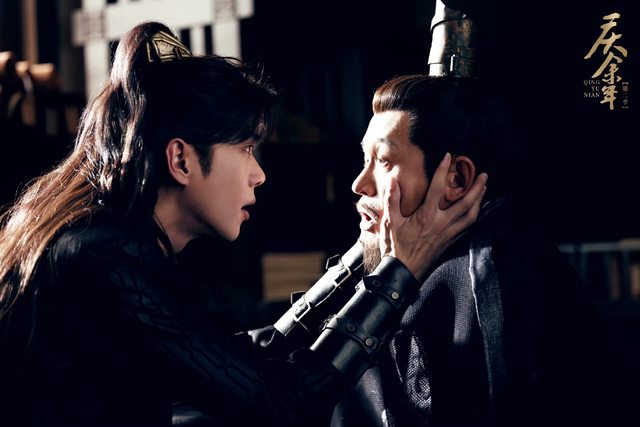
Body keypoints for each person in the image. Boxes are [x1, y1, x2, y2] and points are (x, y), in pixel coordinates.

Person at [0, 22, 486, 427]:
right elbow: (283, 403)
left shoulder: (107, 236)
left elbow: (244, 362)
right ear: (181, 160)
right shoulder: (105, 256)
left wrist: (368, 252)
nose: (259, 174)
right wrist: (398, 272)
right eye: (247, 148)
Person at [331, 75, 602, 427]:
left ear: (456, 178)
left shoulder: (486, 281)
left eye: (383, 161)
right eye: (364, 159)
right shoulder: (413, 267)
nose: (359, 184)